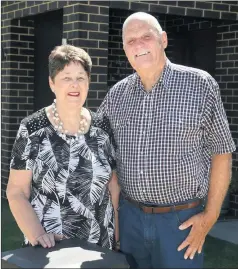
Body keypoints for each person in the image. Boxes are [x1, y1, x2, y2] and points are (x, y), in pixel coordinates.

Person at [94, 12, 236, 268]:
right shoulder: (116, 96)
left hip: (181, 221)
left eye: (146, 37)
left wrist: (210, 216)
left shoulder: (200, 85)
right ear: (125, 48)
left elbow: (222, 152)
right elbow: (96, 149)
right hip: (130, 218)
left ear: (163, 40)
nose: (138, 45)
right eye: (131, 41)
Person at [7, 44, 120, 250]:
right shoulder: (32, 128)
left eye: (80, 77)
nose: (74, 85)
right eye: (66, 77)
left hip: (100, 243)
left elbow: (113, 185)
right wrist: (37, 234)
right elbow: (16, 191)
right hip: (50, 246)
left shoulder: (103, 127)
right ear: (52, 83)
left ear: (88, 82)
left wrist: (118, 237)